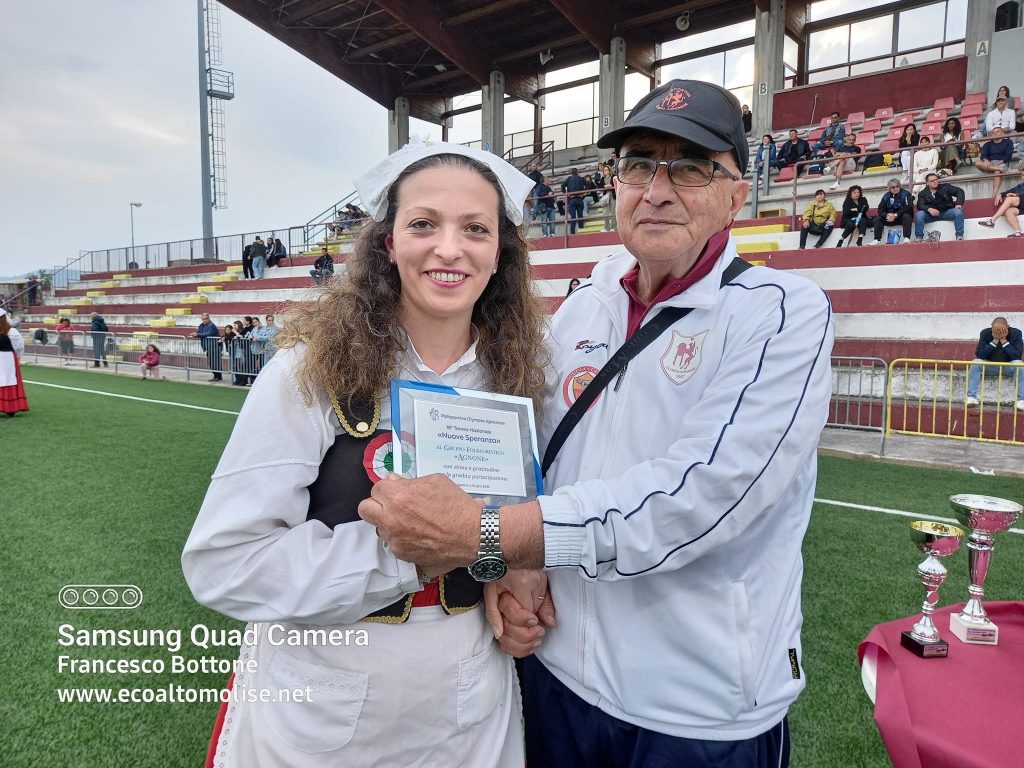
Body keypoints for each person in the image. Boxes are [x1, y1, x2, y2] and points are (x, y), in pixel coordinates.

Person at [359, 80, 833, 768]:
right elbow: (533, 460)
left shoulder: (781, 311)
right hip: (555, 669)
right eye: (638, 165)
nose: (657, 190)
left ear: (737, 194)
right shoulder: (586, 303)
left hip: (697, 707)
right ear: (615, 184)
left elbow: (701, 500)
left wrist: (487, 534)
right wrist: (513, 564)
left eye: (691, 168)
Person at [182, 140, 543, 768]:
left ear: (499, 254)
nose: (449, 248)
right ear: (388, 244)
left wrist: (512, 575)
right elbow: (224, 563)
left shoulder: (515, 376)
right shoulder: (308, 370)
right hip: (321, 701)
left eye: (475, 229)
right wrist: (406, 556)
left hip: (470, 704)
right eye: (423, 224)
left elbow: (511, 528)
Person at [965, 317, 1024, 410]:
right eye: (996, 330)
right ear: (991, 327)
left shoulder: (1016, 333)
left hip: (1008, 366)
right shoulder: (985, 333)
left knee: (1019, 364)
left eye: (1002, 330)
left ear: (1008, 327)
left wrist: (1004, 340)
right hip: (990, 366)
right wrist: (994, 341)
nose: (998, 332)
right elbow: (980, 354)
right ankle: (971, 397)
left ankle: (1021, 400)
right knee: (975, 363)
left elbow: (1017, 355)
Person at [914, 172, 965, 242]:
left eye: (936, 180)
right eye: (932, 181)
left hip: (946, 212)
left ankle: (959, 236)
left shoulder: (946, 187)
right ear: (927, 183)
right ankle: (919, 237)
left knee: (958, 212)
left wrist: (959, 203)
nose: (935, 182)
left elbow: (960, 191)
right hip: (930, 215)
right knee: (919, 214)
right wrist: (929, 209)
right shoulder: (923, 193)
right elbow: (920, 205)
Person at [0, 309, 28, 418]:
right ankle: (9, 408)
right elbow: (19, 347)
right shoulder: (12, 332)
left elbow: (18, 347)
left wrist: (17, 356)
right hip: (8, 358)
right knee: (8, 381)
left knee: (7, 380)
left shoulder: (11, 332)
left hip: (7, 359)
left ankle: (10, 407)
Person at [977, 127, 1015, 201]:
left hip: (1001, 162)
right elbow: (983, 155)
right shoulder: (988, 144)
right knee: (977, 163)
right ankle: (1001, 169)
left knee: (997, 172)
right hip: (990, 163)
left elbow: (1008, 155)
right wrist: (986, 161)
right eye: (993, 132)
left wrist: (998, 163)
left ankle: (993, 195)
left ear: (1002, 133)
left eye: (997, 132)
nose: (995, 134)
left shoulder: (1008, 142)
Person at [872, 178, 915, 244]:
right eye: (893, 187)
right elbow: (880, 209)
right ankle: (877, 240)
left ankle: (906, 238)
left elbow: (908, 207)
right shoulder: (886, 196)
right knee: (878, 218)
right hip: (890, 219)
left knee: (907, 216)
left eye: (897, 186)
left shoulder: (906, 194)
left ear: (900, 186)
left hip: (901, 217)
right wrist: (887, 215)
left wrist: (896, 215)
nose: (895, 188)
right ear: (889, 189)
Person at [191, 313, 222, 382]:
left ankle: (218, 376)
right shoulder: (201, 325)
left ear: (209, 318)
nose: (204, 320)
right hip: (208, 346)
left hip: (215, 346)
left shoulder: (212, 325)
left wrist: (198, 334)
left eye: (206, 319)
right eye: (203, 319)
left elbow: (209, 333)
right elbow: (199, 333)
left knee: (215, 362)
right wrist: (195, 334)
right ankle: (216, 376)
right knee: (211, 362)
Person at [562, 167, 588, 234]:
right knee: (580, 216)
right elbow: (588, 184)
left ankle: (572, 232)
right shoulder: (581, 178)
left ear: (571, 173)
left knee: (572, 217)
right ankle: (581, 230)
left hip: (572, 198)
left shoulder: (569, 179)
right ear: (577, 172)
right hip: (579, 198)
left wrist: (566, 193)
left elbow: (562, 185)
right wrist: (585, 191)